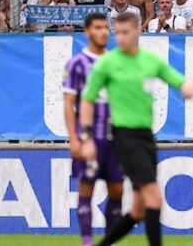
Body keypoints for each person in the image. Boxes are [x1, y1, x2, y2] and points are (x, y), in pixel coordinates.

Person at [80, 12, 193, 246]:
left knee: (139, 210)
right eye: (118, 33)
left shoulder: (150, 61)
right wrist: (86, 136)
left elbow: (180, 81)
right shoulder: (107, 63)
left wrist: (188, 86)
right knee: (155, 199)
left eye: (126, 32)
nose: (121, 37)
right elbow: (87, 100)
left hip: (146, 138)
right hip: (124, 137)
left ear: (137, 32)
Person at [63, 13, 124, 246]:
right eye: (98, 28)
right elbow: (69, 104)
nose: (103, 32)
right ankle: (87, 240)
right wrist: (74, 139)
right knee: (86, 186)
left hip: (115, 137)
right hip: (90, 136)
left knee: (117, 190)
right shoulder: (77, 63)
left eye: (105, 28)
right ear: (88, 32)